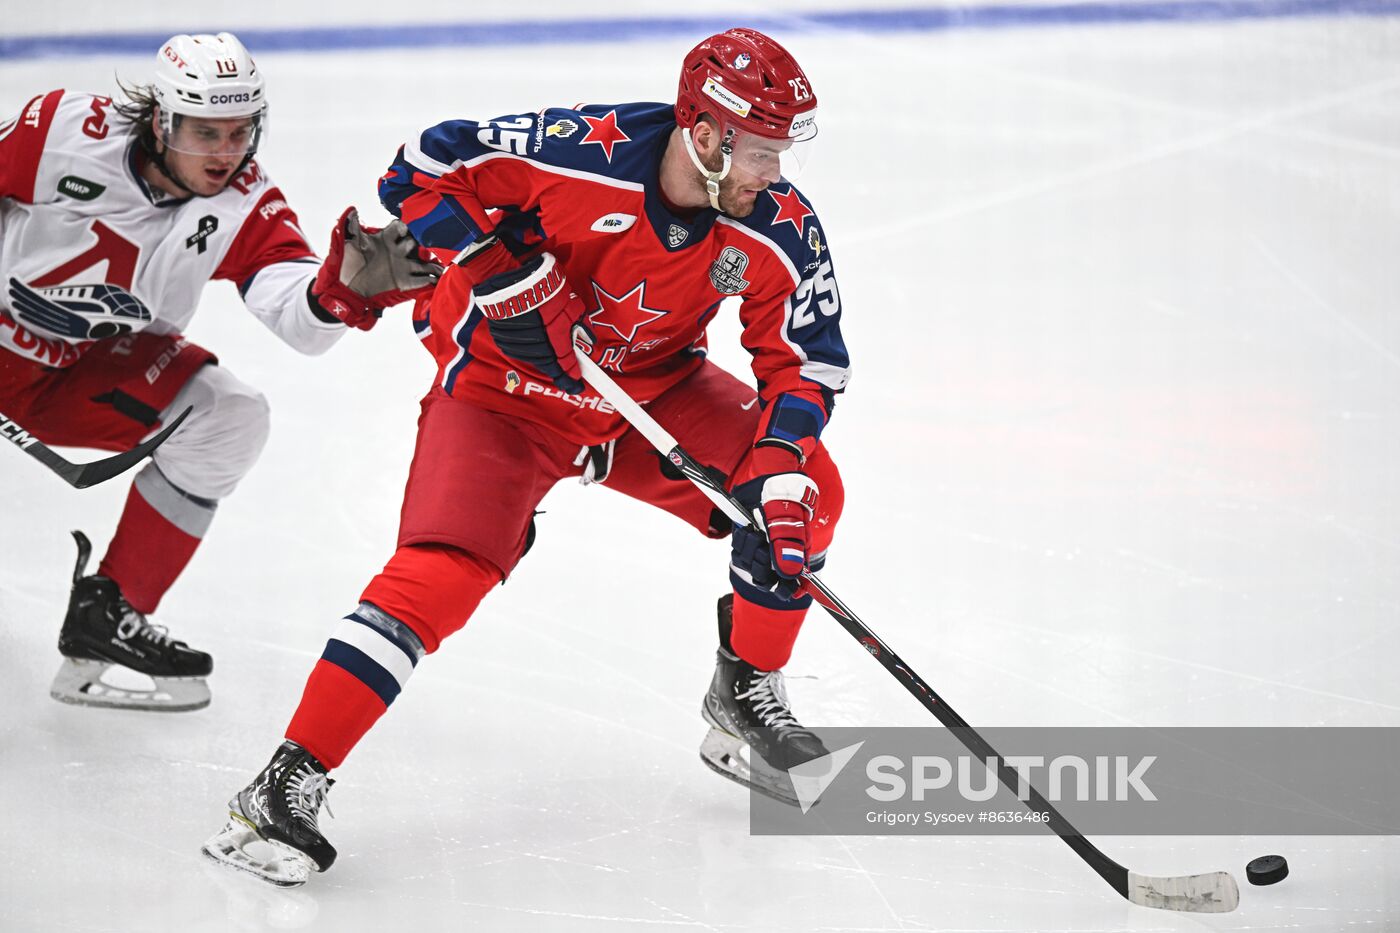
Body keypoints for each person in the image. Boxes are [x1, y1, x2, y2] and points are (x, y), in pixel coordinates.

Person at [201, 27, 851, 886]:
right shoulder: (584, 153)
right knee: (441, 569)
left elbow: (807, 362)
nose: (777, 173)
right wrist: (499, 269)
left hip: (647, 397)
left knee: (806, 496)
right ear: (706, 134)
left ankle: (744, 690)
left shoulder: (775, 226)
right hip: (506, 400)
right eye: (763, 150)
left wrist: (778, 465)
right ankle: (287, 781)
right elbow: (421, 169)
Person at [0, 32, 438, 712]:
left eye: (240, 132)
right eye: (206, 132)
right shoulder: (60, 130)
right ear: (161, 121)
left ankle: (105, 621)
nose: (227, 153)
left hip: (79, 371)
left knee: (230, 418)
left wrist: (339, 291)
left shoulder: (243, 204)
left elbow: (296, 318)